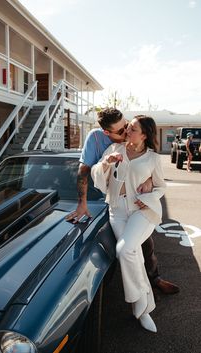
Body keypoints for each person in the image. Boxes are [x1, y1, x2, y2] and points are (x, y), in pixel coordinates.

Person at [66, 108, 179, 295]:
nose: (125, 131)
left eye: (126, 125)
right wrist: (82, 203)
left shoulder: (132, 135)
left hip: (133, 200)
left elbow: (146, 157)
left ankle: (154, 280)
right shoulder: (96, 139)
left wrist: (150, 179)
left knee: (145, 244)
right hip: (107, 199)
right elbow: (84, 171)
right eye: (120, 131)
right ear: (106, 133)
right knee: (124, 250)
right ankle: (140, 293)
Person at [91, 115, 165, 332]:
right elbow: (97, 172)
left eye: (132, 129)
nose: (127, 131)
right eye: (128, 127)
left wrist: (149, 195)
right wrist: (106, 162)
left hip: (141, 211)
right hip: (117, 210)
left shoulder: (153, 158)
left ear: (144, 135)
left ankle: (140, 306)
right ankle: (143, 308)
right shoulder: (116, 148)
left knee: (124, 250)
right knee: (134, 256)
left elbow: (161, 187)